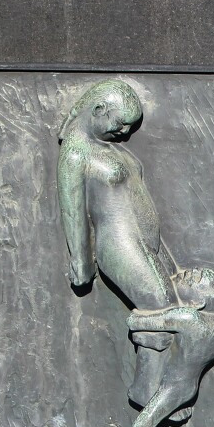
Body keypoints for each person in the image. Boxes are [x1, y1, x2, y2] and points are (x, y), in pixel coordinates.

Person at [57, 79, 180, 406]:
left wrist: (162, 253)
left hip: (148, 246)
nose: (125, 133)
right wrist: (81, 263)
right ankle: (147, 396)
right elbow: (73, 214)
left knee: (173, 307)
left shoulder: (108, 148)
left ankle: (165, 393)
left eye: (130, 127)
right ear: (98, 111)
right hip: (118, 245)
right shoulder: (74, 154)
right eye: (120, 124)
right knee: (160, 310)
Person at [123, 268, 214, 427]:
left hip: (172, 387)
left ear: (196, 303)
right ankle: (172, 411)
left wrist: (144, 312)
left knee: (141, 426)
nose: (191, 273)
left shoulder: (188, 317)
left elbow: (135, 322)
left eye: (194, 280)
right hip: (186, 386)